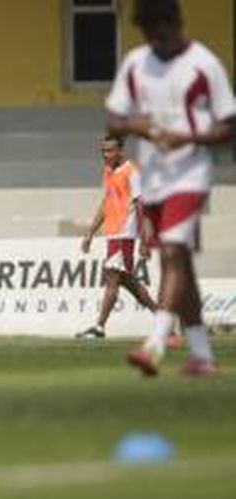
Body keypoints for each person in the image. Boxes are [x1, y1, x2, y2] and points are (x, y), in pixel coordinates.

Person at [106, 0, 236, 376]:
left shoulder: (203, 64)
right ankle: (202, 357)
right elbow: (114, 119)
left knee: (173, 252)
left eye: (161, 31)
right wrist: (141, 128)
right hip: (155, 177)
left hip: (191, 174)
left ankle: (155, 345)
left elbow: (230, 124)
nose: (156, 41)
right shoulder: (135, 64)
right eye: (148, 34)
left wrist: (188, 137)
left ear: (177, 23)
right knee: (181, 265)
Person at [77, 135, 159, 339]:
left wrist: (143, 239)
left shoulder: (132, 172)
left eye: (110, 150)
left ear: (121, 151)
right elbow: (106, 203)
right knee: (128, 281)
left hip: (125, 233)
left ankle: (99, 327)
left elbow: (141, 206)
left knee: (112, 276)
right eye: (103, 151)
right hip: (113, 233)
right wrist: (90, 233)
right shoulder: (108, 172)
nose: (106, 154)